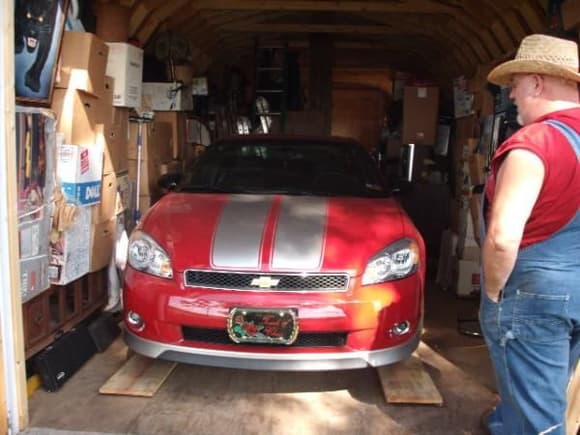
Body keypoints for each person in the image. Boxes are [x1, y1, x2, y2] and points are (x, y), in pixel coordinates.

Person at [480, 34, 580, 434]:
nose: (512, 95)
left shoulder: (534, 143)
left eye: (517, 84)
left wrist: (492, 293)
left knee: (536, 420)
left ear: (537, 83)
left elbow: (503, 236)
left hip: (533, 294)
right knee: (547, 392)